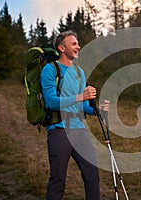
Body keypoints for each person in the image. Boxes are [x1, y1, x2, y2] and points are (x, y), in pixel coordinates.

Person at [41, 30, 108, 200]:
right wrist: (81, 96)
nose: (78, 46)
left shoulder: (79, 72)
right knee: (58, 180)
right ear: (61, 48)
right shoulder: (50, 69)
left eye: (78, 43)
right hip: (59, 130)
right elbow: (51, 102)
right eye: (74, 44)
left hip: (80, 130)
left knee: (92, 175)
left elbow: (83, 106)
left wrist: (97, 110)